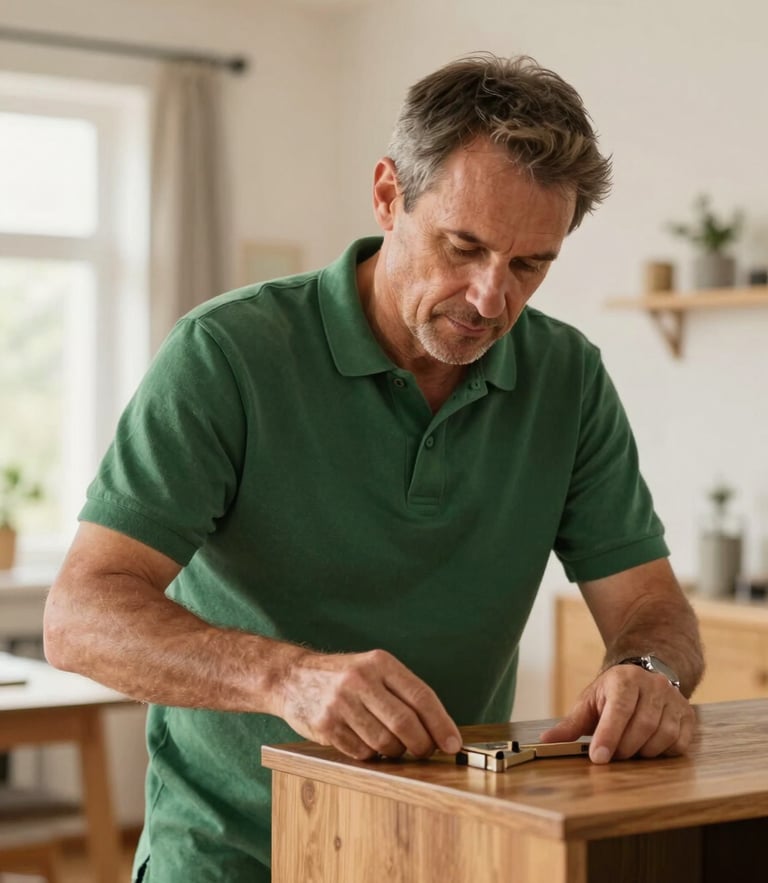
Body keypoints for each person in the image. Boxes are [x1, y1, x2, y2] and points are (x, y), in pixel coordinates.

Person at [43, 53, 704, 882]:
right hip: (234, 858)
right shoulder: (227, 354)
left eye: (530, 265)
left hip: (453, 851)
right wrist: (287, 677)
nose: (490, 298)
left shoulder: (567, 378)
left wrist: (648, 671)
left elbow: (653, 606)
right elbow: (79, 616)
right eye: (462, 246)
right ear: (389, 195)